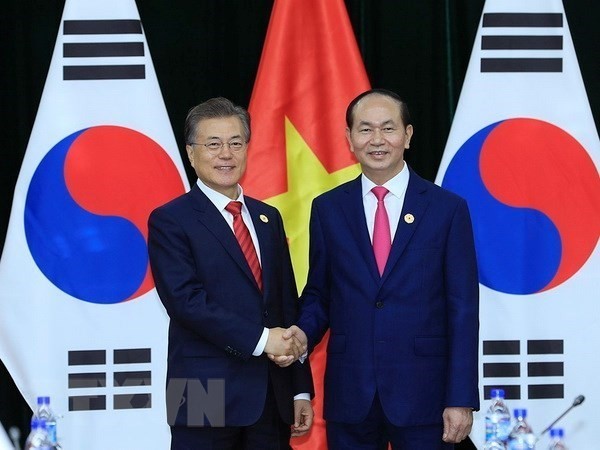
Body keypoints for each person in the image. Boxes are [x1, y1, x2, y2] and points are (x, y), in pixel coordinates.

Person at [284, 89, 479, 449]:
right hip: (351, 394)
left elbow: (463, 311)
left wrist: (461, 397)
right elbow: (320, 295)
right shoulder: (328, 209)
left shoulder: (447, 209)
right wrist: (298, 337)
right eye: (365, 129)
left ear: (407, 135)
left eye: (388, 129)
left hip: (426, 396)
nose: (377, 140)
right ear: (349, 139)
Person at [148, 97, 314, 450]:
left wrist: (300, 387)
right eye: (213, 144)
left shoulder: (267, 218)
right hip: (200, 389)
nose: (226, 153)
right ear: (191, 153)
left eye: (236, 143)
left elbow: (285, 306)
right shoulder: (170, 220)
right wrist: (262, 340)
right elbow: (185, 302)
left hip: (272, 390)